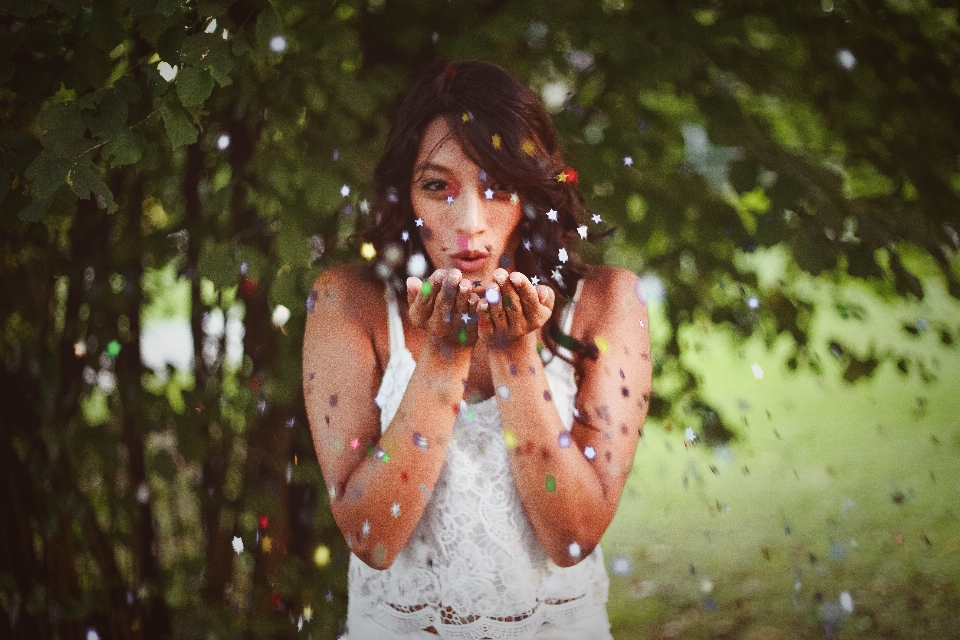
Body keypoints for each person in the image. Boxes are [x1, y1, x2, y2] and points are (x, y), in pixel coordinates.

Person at [303, 60, 652, 639]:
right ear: (406, 193)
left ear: (531, 193)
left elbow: (572, 538)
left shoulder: (607, 304)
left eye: (497, 185)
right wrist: (443, 353)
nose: (469, 224)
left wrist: (515, 353)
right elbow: (374, 538)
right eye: (438, 186)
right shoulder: (347, 304)